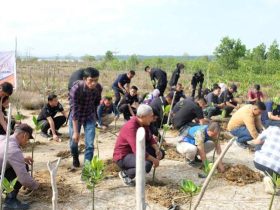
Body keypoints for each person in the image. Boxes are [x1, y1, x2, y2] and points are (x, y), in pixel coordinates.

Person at [113, 104, 164, 186]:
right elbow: (138, 151)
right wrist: (154, 160)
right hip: (123, 156)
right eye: (151, 116)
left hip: (135, 152)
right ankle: (126, 174)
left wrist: (157, 149)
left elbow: (150, 138)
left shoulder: (144, 124)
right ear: (143, 116)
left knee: (161, 153)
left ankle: (141, 169)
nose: (152, 118)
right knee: (145, 165)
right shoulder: (131, 127)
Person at [69, 67, 102, 169]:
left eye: (95, 80)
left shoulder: (98, 88)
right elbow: (74, 110)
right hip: (76, 117)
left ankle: (87, 170)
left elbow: (96, 103)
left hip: (89, 116)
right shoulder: (76, 89)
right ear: (84, 79)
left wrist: (96, 119)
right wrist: (75, 132)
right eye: (90, 80)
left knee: (90, 145)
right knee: (74, 142)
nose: (93, 83)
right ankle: (75, 157)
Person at [0, 124, 39, 210]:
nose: (27, 142)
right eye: (28, 139)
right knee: (23, 168)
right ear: (24, 135)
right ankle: (10, 202)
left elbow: (4, 156)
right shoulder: (14, 150)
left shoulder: (3, 138)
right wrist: (36, 186)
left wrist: (22, 158)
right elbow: (24, 178)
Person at [253, 126, 280, 194]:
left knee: (259, 143)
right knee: (278, 181)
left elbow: (257, 141)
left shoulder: (272, 128)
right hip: (277, 168)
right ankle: (273, 180)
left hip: (259, 162)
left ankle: (270, 179)